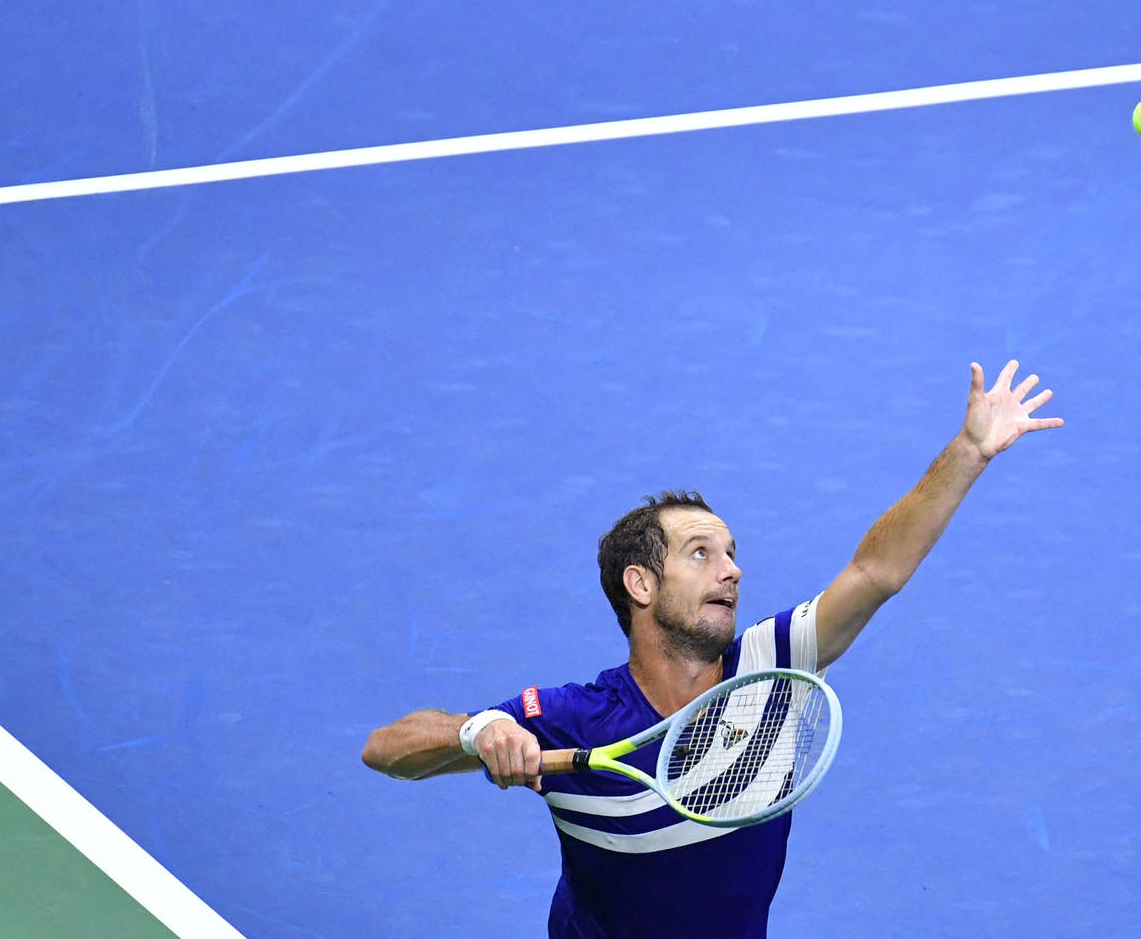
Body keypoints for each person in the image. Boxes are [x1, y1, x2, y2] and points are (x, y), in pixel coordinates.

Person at [361, 360, 1062, 939]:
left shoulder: (771, 670)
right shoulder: (575, 719)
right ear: (641, 584)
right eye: (701, 554)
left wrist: (968, 452)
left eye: (731, 553)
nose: (732, 570)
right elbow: (386, 750)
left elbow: (877, 571)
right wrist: (477, 730)